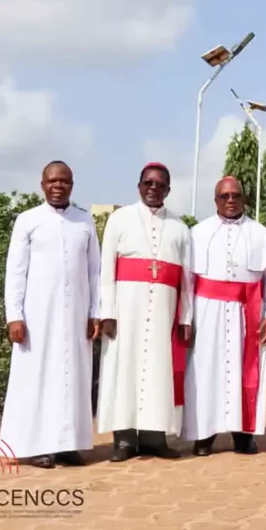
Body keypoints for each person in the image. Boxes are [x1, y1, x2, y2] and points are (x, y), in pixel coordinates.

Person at [0, 161, 100, 468]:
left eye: (64, 181)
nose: (58, 185)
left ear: (72, 184)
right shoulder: (28, 220)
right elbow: (15, 271)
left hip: (75, 318)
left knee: (72, 378)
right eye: (52, 181)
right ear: (42, 185)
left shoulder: (84, 222)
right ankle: (34, 445)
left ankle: (68, 444)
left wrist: (95, 313)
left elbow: (95, 272)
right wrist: (14, 315)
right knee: (37, 378)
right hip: (36, 318)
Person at [97, 163, 193, 461]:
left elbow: (187, 279)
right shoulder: (119, 219)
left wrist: (186, 318)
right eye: (148, 183)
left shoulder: (180, 227)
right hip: (126, 310)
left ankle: (154, 438)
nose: (154, 188)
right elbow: (106, 271)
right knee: (122, 370)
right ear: (139, 185)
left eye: (160, 184)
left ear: (168, 189)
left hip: (164, 310)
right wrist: (108, 313)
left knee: (158, 371)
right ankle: (124, 440)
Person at [183, 177, 266, 456]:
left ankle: (243, 434)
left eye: (235, 195)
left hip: (247, 310)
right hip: (206, 310)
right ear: (215, 200)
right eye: (224, 196)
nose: (230, 200)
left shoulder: (261, 233)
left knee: (244, 371)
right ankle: (204, 435)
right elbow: (188, 281)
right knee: (205, 371)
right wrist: (186, 318)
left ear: (244, 198)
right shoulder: (197, 233)